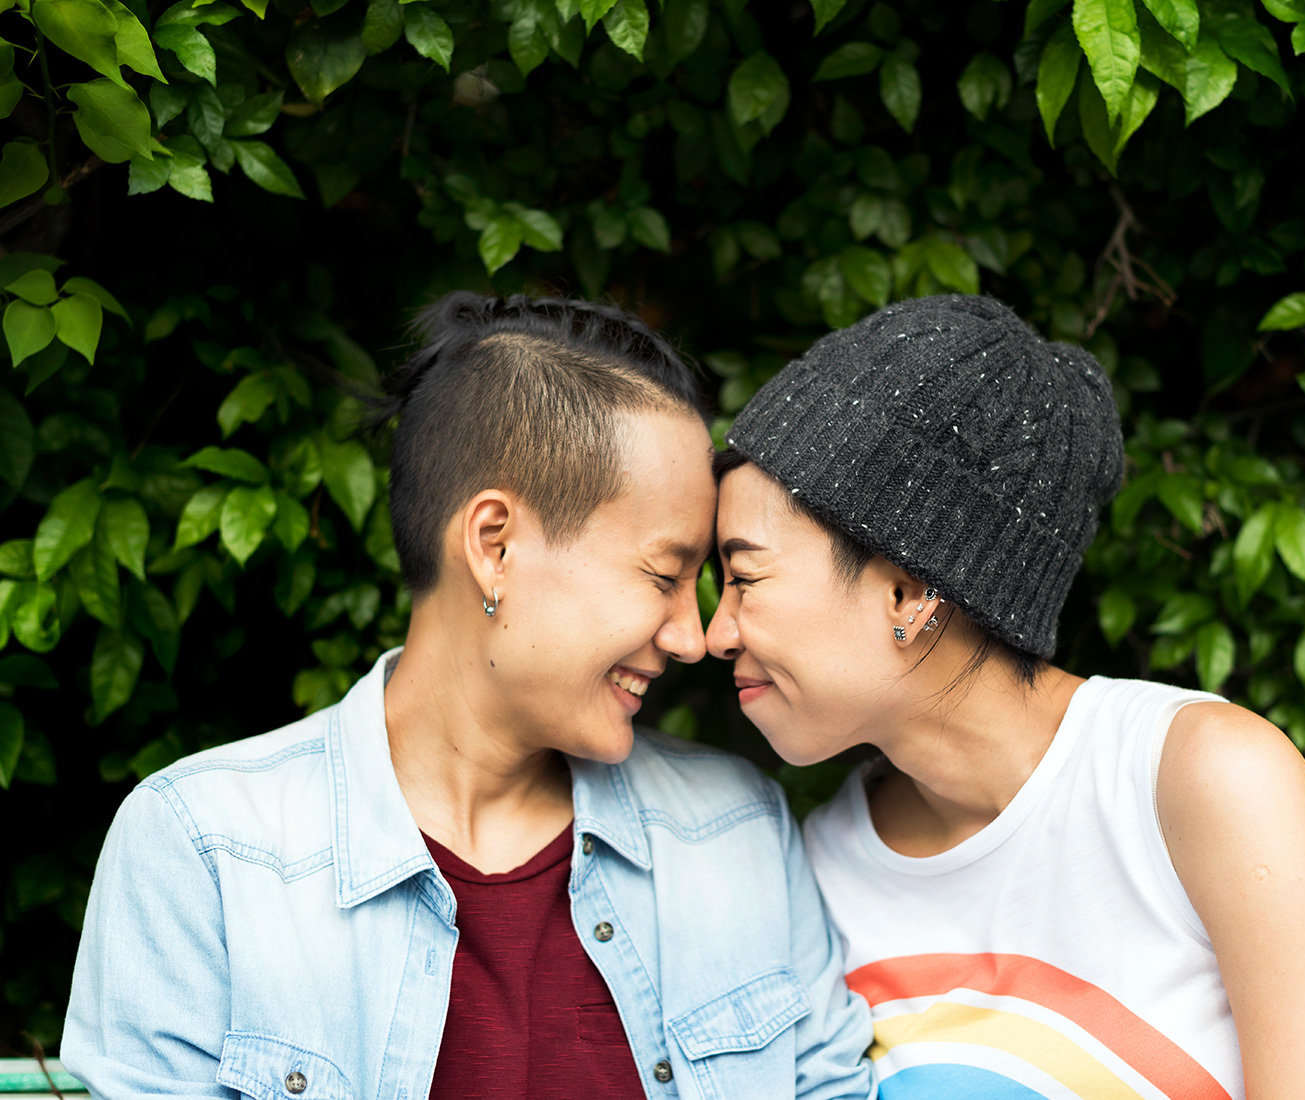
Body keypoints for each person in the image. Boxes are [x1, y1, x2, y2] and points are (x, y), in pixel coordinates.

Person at [61, 293, 874, 1100]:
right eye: (664, 577)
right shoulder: (204, 853)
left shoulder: (737, 832)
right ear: (495, 544)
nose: (691, 637)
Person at [704, 294, 1305, 1100]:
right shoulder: (820, 862)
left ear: (909, 591)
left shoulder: (1202, 780)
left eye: (745, 580)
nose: (714, 635)